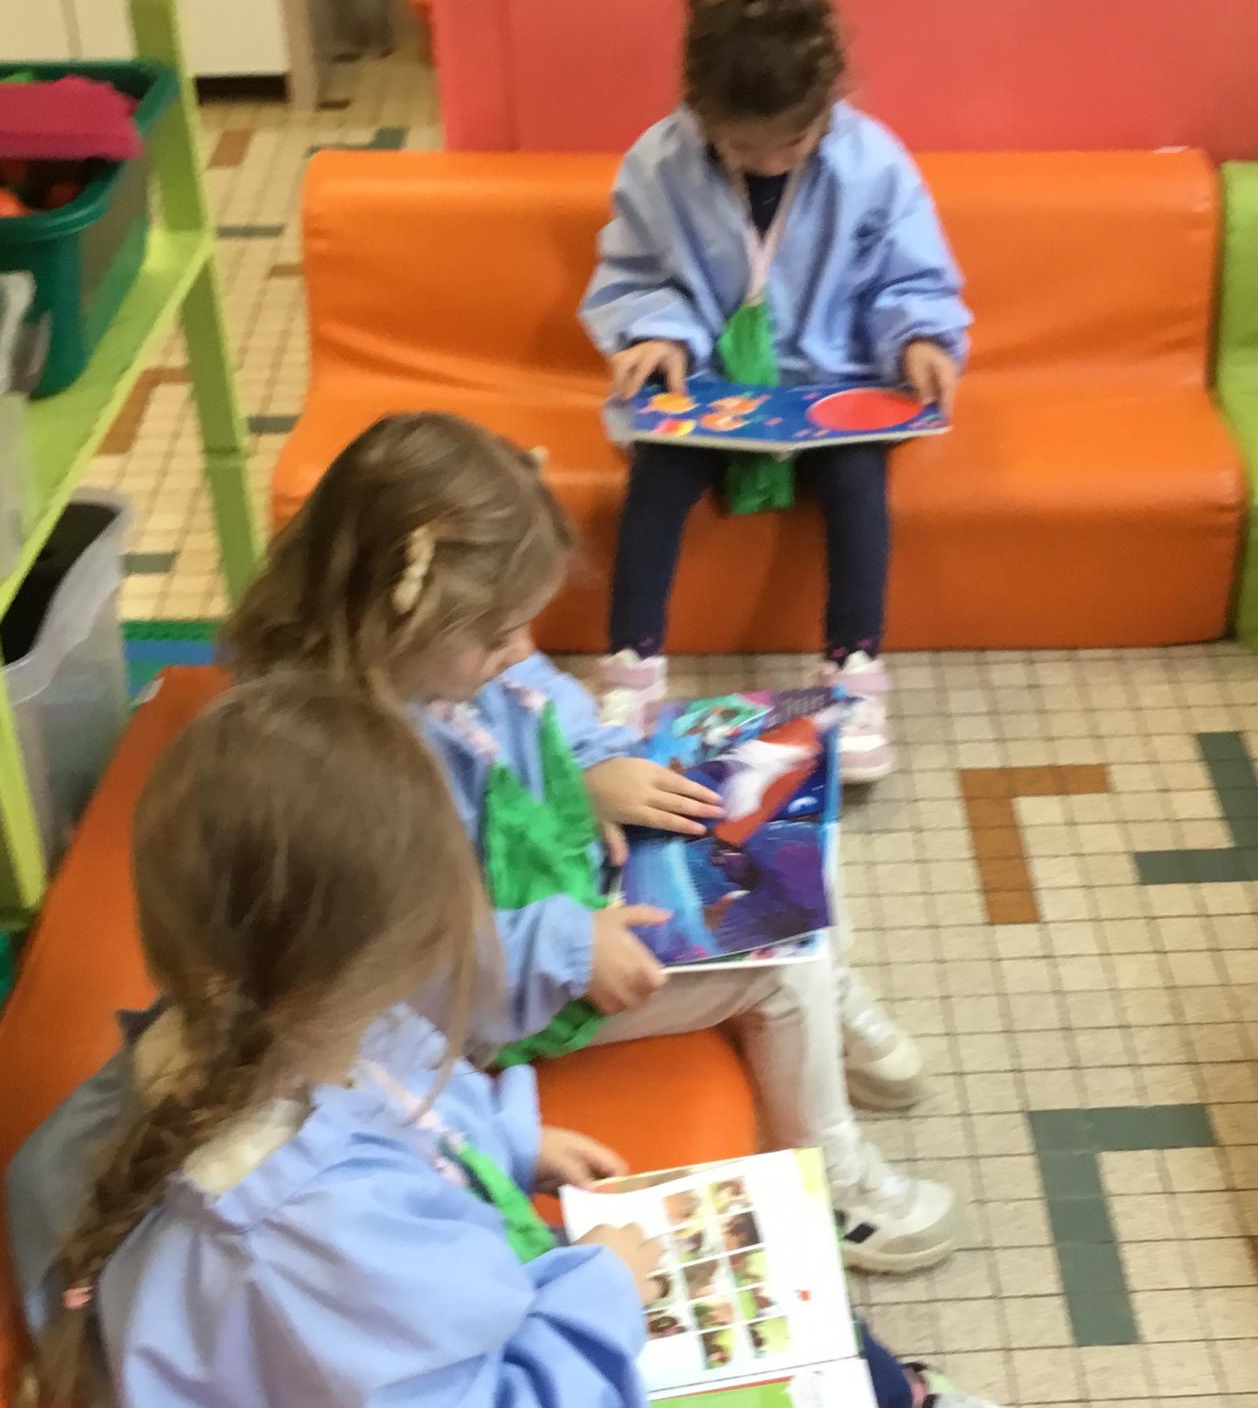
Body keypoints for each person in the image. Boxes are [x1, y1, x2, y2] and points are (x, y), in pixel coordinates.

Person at [2, 680, 1088, 1408]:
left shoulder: (233, 1030)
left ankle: (898, 1405)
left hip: (432, 1404)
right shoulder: (295, 1244)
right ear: (399, 948)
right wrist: (605, 1292)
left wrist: (511, 1143)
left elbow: (391, 1086)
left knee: (766, 1268)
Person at [225, 411, 954, 1272]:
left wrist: (590, 763)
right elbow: (412, 970)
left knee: (792, 842)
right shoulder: (348, 772)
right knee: (782, 965)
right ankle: (837, 1187)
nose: (523, 650)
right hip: (486, 997)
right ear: (401, 617)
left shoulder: (420, 659)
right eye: (499, 634)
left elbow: (538, 693)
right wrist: (574, 947)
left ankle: (836, 1001)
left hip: (548, 890)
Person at [580, 0, 970, 781]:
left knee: (859, 478)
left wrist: (918, 336)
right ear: (699, 112)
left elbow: (909, 275)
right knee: (657, 469)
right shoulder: (659, 165)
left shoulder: (873, 164)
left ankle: (854, 672)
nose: (772, 162)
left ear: (829, 102)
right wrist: (656, 334)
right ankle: (630, 670)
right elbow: (635, 273)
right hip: (710, 388)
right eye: (741, 146)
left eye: (795, 139)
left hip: (832, 385)